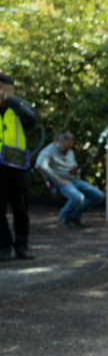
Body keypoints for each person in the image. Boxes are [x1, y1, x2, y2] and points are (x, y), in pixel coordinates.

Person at [0, 73, 37, 260]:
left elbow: (31, 120)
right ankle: (3, 246)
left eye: (4, 87)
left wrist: (12, 100)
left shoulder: (19, 107)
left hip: (17, 166)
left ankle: (22, 245)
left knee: (20, 208)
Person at [36, 131, 103, 228]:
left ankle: (74, 216)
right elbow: (40, 165)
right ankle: (63, 216)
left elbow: (74, 165)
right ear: (59, 142)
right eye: (67, 146)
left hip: (73, 180)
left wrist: (76, 170)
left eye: (70, 146)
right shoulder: (48, 151)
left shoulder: (70, 152)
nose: (69, 148)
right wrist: (57, 179)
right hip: (60, 182)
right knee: (78, 197)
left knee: (98, 195)